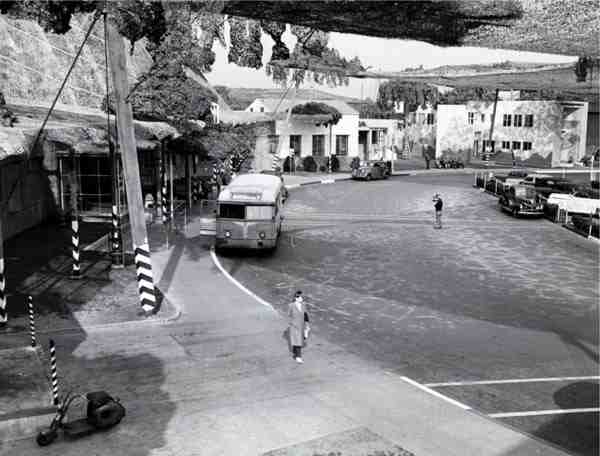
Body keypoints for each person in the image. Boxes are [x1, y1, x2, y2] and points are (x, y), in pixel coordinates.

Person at [288, 291, 309, 363]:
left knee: (299, 340)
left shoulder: (304, 305)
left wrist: (307, 324)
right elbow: (289, 316)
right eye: (300, 297)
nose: (302, 298)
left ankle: (295, 351)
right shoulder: (291, 305)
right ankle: (298, 357)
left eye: (302, 297)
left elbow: (306, 315)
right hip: (294, 326)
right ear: (296, 298)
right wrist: (292, 324)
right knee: (298, 341)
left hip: (302, 325)